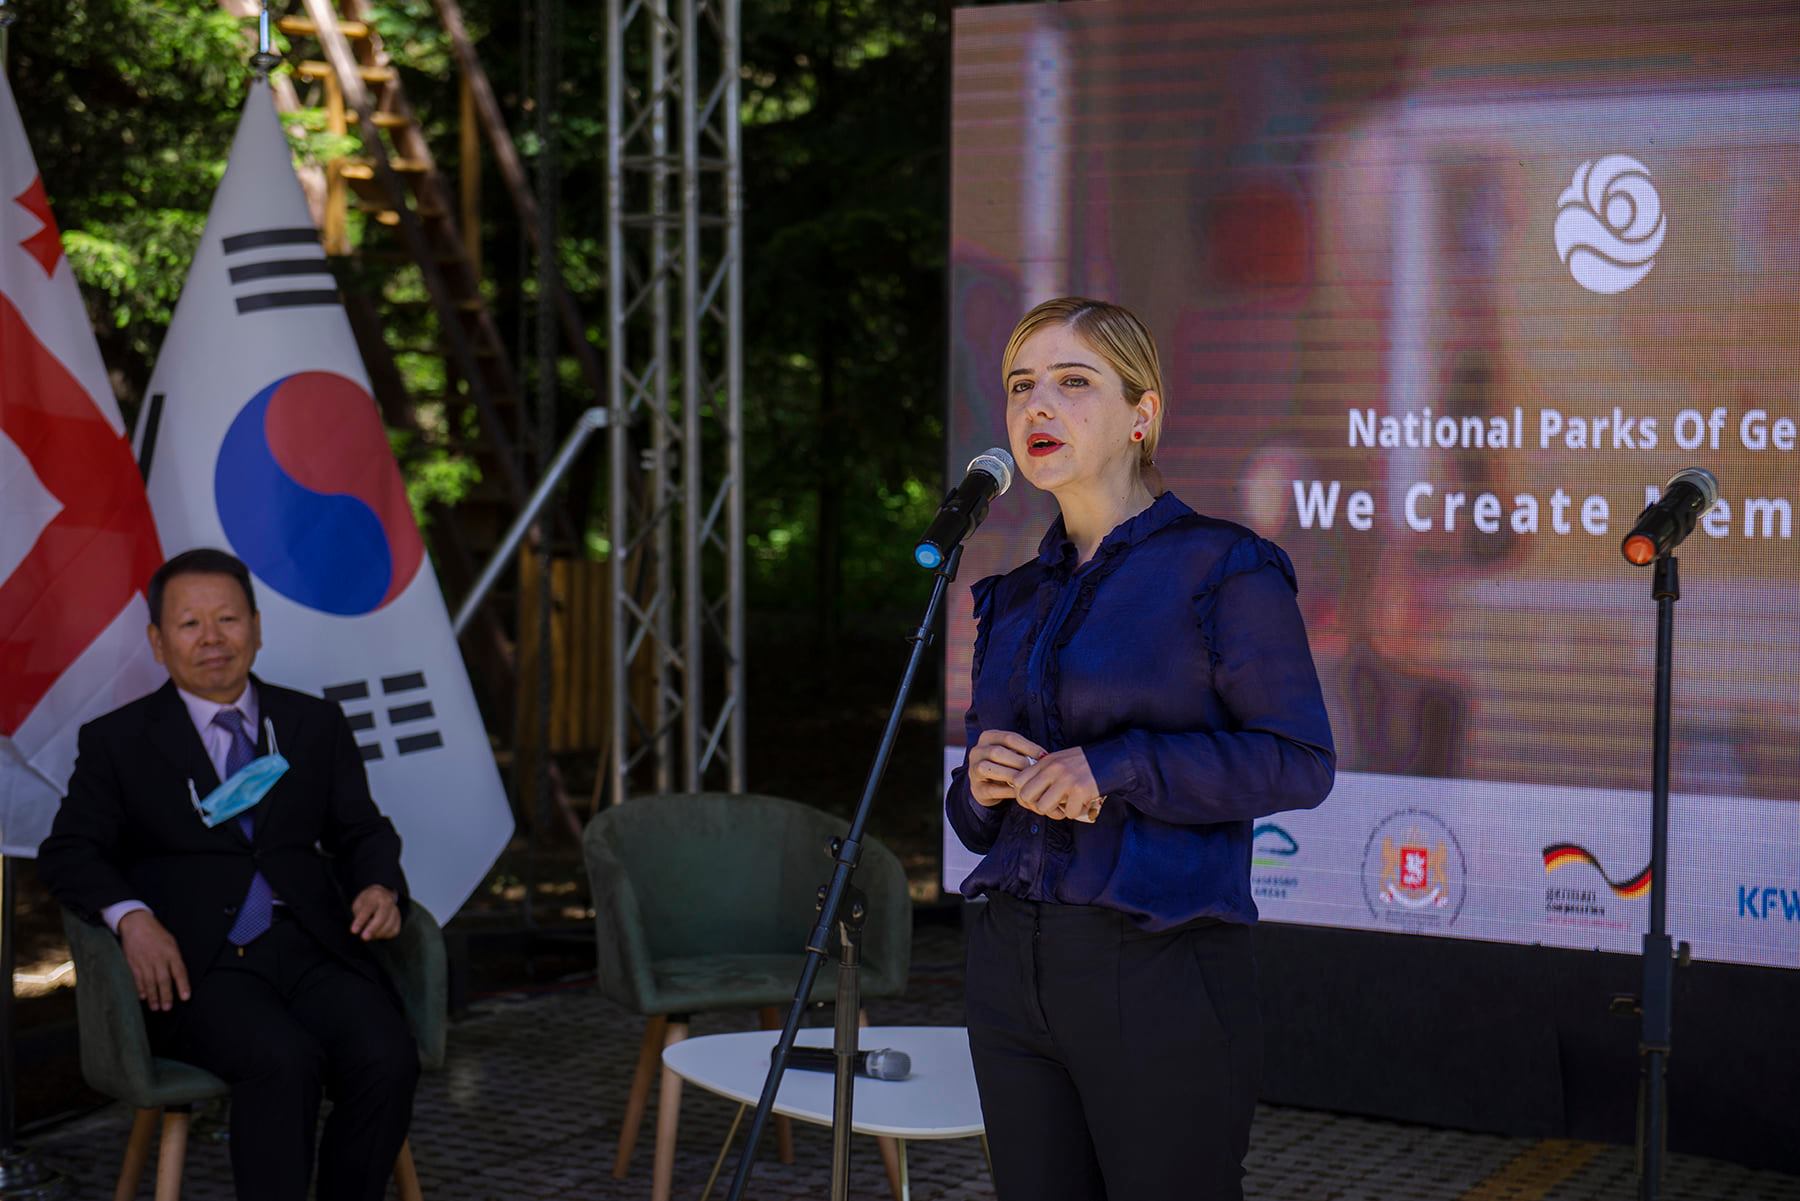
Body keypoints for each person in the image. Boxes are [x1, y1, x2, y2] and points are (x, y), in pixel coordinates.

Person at [944, 297, 1335, 1200]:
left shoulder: (1223, 567)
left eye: (1073, 381)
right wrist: (979, 787)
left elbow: (1299, 760)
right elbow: (971, 823)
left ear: (1142, 412)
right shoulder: (1010, 596)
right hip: (1010, 969)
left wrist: (1117, 764)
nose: (1038, 405)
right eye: (1021, 386)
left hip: (1157, 965)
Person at [38, 548, 418, 1201]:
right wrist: (132, 918)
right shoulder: (119, 740)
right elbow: (70, 851)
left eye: (228, 619)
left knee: (388, 1056)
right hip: (197, 965)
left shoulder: (311, 724)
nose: (212, 638)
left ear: (257, 628)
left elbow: (361, 830)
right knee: (283, 1062)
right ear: (158, 642)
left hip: (313, 948)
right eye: (190, 624)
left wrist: (380, 885)